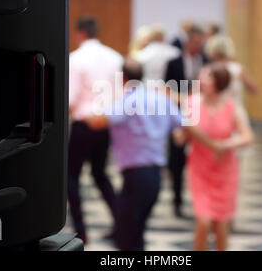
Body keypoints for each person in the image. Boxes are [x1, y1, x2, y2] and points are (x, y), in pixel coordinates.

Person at [86, 59, 218, 250]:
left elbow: (99, 122)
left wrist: (81, 112)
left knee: (126, 237)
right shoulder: (159, 99)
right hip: (155, 177)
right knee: (135, 231)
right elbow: (185, 124)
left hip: (135, 177)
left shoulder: (128, 101)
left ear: (123, 79)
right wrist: (213, 144)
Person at [182, 63, 254, 250]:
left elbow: (247, 136)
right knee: (203, 221)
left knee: (221, 224)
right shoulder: (191, 103)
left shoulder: (231, 107)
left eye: (207, 77)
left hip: (225, 171)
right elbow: (181, 137)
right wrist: (181, 130)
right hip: (200, 170)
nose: (201, 80)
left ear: (218, 82)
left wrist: (224, 145)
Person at [68, 15, 123, 243]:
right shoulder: (115, 57)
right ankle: (122, 224)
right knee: (101, 175)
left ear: (80, 33)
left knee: (71, 177)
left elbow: (70, 98)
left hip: (84, 123)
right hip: (106, 123)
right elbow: (121, 94)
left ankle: (81, 232)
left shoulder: (76, 58)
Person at [165, 25, 209, 218]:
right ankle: (177, 201)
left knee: (202, 160)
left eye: (201, 42)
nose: (198, 46)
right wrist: (185, 98)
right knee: (176, 161)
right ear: (187, 42)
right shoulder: (173, 63)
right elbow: (167, 89)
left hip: (202, 117)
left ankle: (202, 200)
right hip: (179, 115)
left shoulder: (207, 62)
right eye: (195, 42)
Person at [204, 35, 258, 102]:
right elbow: (253, 89)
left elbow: (195, 90)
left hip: (215, 109)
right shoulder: (238, 69)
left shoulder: (208, 69)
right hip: (234, 108)